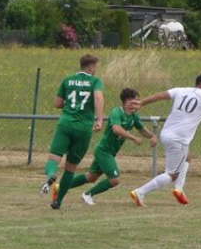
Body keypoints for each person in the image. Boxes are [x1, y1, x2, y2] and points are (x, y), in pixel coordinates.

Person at [130, 74, 201, 207]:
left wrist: (142, 103)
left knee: (187, 157)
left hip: (167, 134)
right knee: (171, 174)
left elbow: (160, 96)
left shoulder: (181, 90)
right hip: (178, 139)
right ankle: (140, 192)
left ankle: (179, 189)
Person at [67, 88, 158, 205]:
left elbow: (142, 129)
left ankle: (60, 187)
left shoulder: (134, 116)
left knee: (91, 177)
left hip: (109, 152)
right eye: (135, 101)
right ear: (126, 101)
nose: (137, 103)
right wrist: (133, 138)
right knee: (114, 180)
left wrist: (152, 136)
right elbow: (116, 129)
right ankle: (88, 194)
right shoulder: (117, 112)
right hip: (104, 151)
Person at [40, 54, 105, 210]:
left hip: (66, 124)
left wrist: (70, 106)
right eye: (95, 67)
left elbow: (57, 103)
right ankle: (58, 202)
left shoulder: (67, 80)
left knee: (54, 158)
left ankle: (51, 176)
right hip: (83, 128)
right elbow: (98, 97)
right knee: (71, 167)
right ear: (90, 67)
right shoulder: (95, 81)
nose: (96, 70)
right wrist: (99, 119)